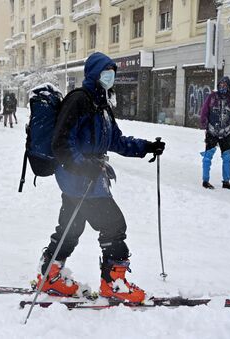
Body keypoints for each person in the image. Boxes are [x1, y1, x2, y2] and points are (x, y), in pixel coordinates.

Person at [35, 52, 165, 303]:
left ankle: (50, 274)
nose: (111, 77)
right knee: (114, 225)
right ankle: (114, 284)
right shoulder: (79, 100)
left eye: (113, 73)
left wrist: (146, 146)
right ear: (94, 73)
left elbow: (116, 140)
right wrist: (84, 166)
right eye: (106, 72)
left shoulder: (102, 105)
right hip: (78, 178)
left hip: (87, 178)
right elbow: (61, 143)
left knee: (71, 227)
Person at [199, 76, 230, 190]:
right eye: (221, 85)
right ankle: (205, 180)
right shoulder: (212, 97)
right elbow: (204, 111)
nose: (223, 87)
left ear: (229, 86)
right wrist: (204, 124)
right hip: (212, 131)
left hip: (226, 132)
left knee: (227, 157)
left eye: (225, 85)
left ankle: (226, 181)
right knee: (207, 157)